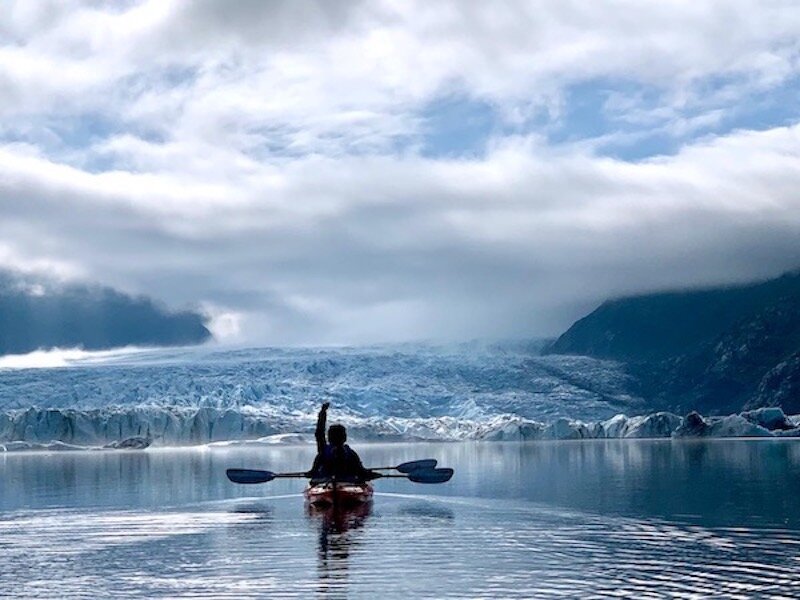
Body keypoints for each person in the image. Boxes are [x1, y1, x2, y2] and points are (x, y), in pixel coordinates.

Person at [308, 402, 375, 483]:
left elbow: (319, 433)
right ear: (344, 438)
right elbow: (361, 471)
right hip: (347, 480)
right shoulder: (350, 453)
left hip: (325, 479)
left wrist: (323, 412)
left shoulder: (323, 451)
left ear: (329, 438)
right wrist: (372, 474)